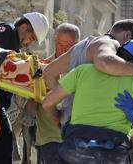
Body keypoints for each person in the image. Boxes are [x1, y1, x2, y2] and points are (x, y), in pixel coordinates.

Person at [42, 40, 133, 164]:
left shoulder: (82, 71)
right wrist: (128, 137)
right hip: (113, 153)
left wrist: (57, 118)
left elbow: (47, 103)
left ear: (118, 52)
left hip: (76, 150)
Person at [0, 12, 50, 164]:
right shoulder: (7, 31)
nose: (29, 42)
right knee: (5, 142)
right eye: (31, 38)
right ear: (24, 27)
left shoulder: (16, 48)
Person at [43, 19, 133, 125]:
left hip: (71, 128)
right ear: (127, 36)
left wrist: (60, 113)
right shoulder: (109, 43)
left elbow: (48, 72)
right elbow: (104, 62)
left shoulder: (83, 45)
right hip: (96, 129)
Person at [34, 23, 80, 164]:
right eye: (60, 44)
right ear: (54, 41)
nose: (64, 50)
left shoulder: (82, 70)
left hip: (75, 139)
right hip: (50, 139)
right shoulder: (41, 68)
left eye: (69, 46)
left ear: (77, 45)